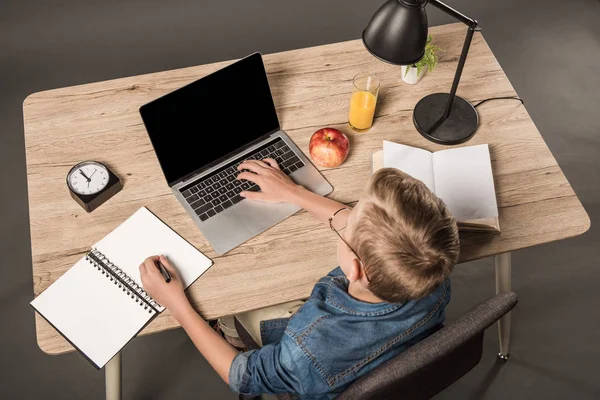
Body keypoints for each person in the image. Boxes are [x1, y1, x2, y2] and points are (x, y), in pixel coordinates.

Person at [140, 157, 460, 399]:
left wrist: (176, 304)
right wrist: (293, 192)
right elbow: (362, 229)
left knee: (232, 308)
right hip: (381, 351)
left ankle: (229, 333)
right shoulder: (431, 269)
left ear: (356, 269)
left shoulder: (306, 348)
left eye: (349, 224)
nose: (343, 215)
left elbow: (242, 375)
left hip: (315, 371)